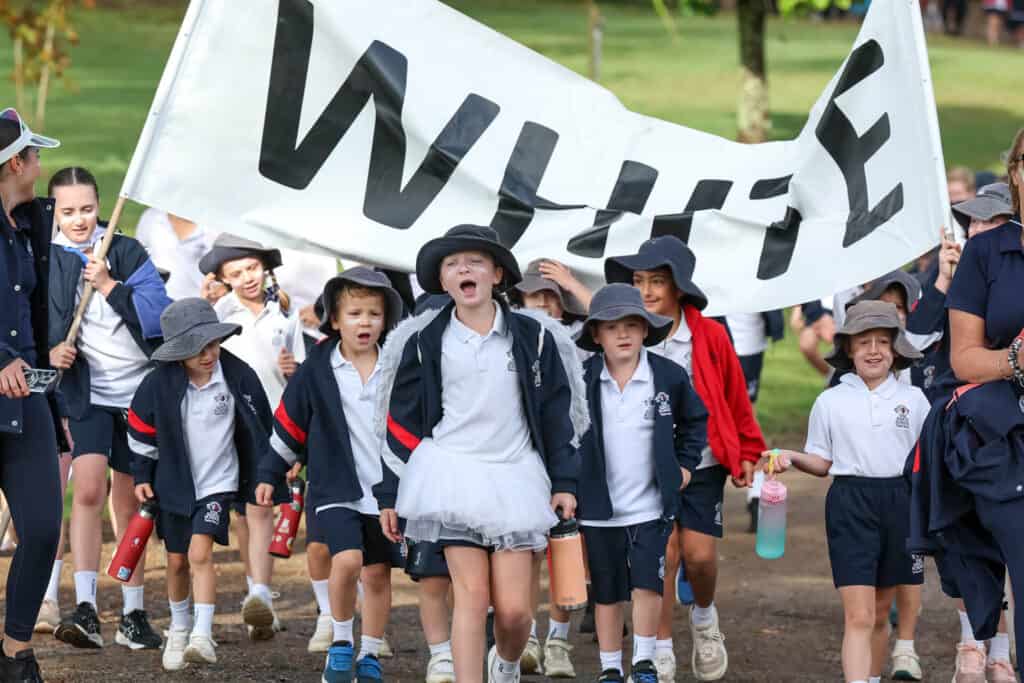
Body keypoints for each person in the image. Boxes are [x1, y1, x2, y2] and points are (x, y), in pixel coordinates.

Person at [376, 224, 585, 683]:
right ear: (444, 282)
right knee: (470, 598)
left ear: (496, 274)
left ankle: (506, 665)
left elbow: (557, 414)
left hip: (516, 477)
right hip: (452, 474)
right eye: (452, 264)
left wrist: (565, 482)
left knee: (513, 614)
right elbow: (401, 420)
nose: (463, 269)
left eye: (474, 261)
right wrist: (389, 491)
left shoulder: (535, 336)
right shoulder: (424, 340)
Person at [604, 235, 764, 682]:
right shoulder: (626, 333)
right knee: (663, 554)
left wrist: (748, 451)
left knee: (699, 556)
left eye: (657, 281)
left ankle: (705, 617)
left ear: (680, 288)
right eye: (639, 281)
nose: (647, 290)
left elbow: (734, 395)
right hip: (642, 465)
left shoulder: (709, 334)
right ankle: (657, 650)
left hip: (704, 461)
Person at [761, 301, 929, 683]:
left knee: (883, 609)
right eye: (864, 341)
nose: (874, 350)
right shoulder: (830, 401)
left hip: (901, 503)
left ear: (895, 349)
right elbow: (822, 462)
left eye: (883, 342)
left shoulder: (915, 400)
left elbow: (927, 461)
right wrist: (790, 457)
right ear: (848, 349)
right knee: (860, 615)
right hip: (851, 504)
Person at [256, 268, 405, 682]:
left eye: (374, 314)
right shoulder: (317, 367)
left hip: (386, 491)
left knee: (377, 573)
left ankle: (370, 652)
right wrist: (271, 471)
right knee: (348, 561)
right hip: (335, 485)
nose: (365, 322)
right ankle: (341, 642)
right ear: (334, 320)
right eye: (355, 313)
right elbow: (289, 422)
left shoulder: (397, 367)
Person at [126, 298, 288, 670]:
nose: (208, 355)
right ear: (178, 352)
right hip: (173, 484)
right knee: (177, 561)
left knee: (200, 554)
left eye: (213, 344)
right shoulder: (156, 385)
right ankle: (179, 628)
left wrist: (270, 470)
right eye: (196, 349)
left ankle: (202, 633)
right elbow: (140, 432)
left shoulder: (237, 375)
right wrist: (141, 477)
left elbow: (261, 424)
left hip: (218, 482)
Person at [47, 166, 171, 652]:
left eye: (87, 210)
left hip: (137, 393)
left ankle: (134, 611)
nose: (79, 220)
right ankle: (85, 606)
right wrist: (51, 352)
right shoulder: (49, 256)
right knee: (88, 488)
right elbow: (36, 319)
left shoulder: (123, 250)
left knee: (131, 501)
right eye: (68, 211)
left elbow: (158, 319)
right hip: (87, 393)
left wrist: (109, 286)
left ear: (101, 207)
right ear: (54, 211)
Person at [575, 284, 708, 683]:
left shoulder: (667, 375)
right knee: (608, 591)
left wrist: (684, 466)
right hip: (599, 508)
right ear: (596, 334)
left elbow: (695, 423)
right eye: (612, 327)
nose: (624, 334)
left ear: (646, 330)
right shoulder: (582, 379)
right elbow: (562, 435)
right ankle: (611, 666)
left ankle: (645, 661)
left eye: (633, 325)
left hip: (652, 505)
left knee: (649, 583)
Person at [937, 128, 1024, 679]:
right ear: (1014, 171)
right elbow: (964, 359)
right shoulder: (987, 250)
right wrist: (1015, 359)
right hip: (1006, 440)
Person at [199, 233, 305, 639]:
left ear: (266, 269)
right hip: (230, 421)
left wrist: (293, 368)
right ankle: (255, 593)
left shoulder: (286, 313)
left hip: (274, 421)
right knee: (245, 512)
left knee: (261, 507)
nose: (247, 278)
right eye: (236, 272)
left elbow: (302, 372)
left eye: (252, 268)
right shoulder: (219, 313)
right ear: (223, 279)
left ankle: (261, 591)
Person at [0, 107, 63, 682]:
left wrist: (57, 406)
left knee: (43, 527)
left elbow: (36, 325)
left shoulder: (29, 227)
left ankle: (14, 647)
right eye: (35, 156)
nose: (41, 166)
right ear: (15, 162)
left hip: (28, 401)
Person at [512, 258, 591, 678]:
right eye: (534, 293)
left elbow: (617, 321)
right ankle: (526, 636)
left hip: (571, 458)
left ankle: (559, 640)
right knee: (526, 552)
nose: (542, 302)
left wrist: (572, 284)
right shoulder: (509, 336)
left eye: (551, 296)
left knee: (565, 547)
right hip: (522, 457)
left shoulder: (577, 338)